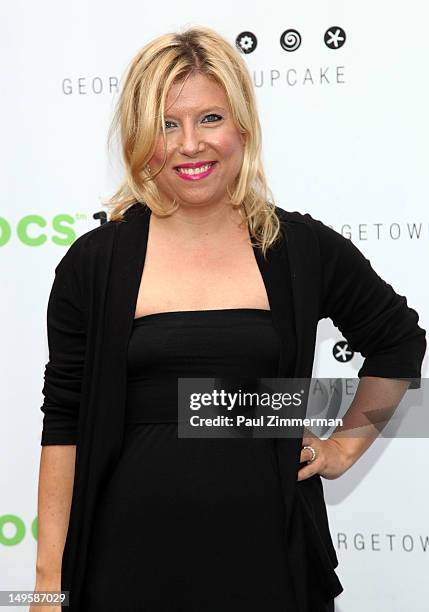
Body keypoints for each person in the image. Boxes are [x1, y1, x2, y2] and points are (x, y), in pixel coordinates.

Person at [33, 26, 426, 612]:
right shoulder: (93, 264)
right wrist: (45, 591)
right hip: (122, 571)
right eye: (168, 124)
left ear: (243, 124)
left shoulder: (298, 249)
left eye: (210, 118)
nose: (190, 144)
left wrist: (343, 447)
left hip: (272, 566)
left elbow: (398, 343)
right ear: (141, 137)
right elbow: (63, 426)